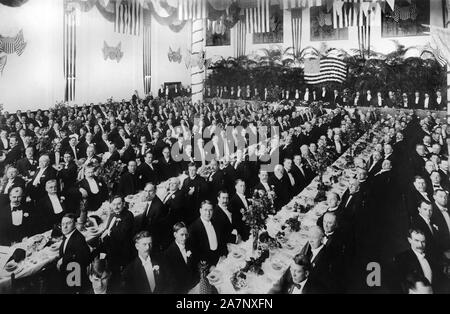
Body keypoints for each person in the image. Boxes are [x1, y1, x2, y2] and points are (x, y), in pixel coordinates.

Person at [395, 228, 442, 293]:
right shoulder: (402, 258)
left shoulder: (432, 257)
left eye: (423, 241)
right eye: (416, 241)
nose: (420, 245)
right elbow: (399, 284)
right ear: (409, 240)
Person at [100, 195, 135, 278]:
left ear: (123, 204)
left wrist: (108, 233)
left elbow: (122, 234)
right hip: (111, 245)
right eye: (114, 204)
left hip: (122, 249)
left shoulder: (128, 215)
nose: (116, 207)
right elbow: (108, 227)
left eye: (118, 204)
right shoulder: (112, 214)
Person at [56, 213, 91, 293]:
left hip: (74, 275)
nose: (64, 227)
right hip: (67, 273)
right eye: (62, 224)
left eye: (68, 223)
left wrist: (64, 259)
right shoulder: (68, 234)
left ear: (75, 224)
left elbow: (82, 259)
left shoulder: (79, 239)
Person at [188, 200, 227, 267]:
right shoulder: (193, 228)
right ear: (200, 211)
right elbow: (195, 253)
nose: (208, 213)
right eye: (205, 210)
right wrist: (209, 266)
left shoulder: (216, 223)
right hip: (207, 266)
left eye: (210, 210)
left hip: (221, 261)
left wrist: (223, 255)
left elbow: (222, 242)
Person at [164, 222, 199, 293]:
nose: (185, 238)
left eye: (186, 234)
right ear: (175, 235)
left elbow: (195, 267)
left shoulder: (190, 246)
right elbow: (172, 279)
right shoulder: (168, 254)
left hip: (194, 285)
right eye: (182, 235)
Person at [140, 182, 169, 251]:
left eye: (150, 191)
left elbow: (153, 228)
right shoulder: (152, 200)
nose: (147, 194)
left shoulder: (158, 207)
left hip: (153, 239)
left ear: (155, 191)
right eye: (146, 191)